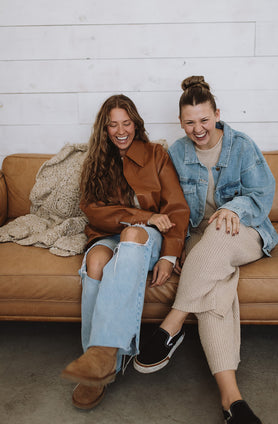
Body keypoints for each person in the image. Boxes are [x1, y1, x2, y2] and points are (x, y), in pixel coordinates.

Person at [134, 76, 278, 424]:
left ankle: (172, 324)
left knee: (218, 228)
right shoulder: (178, 153)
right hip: (203, 237)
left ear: (217, 114)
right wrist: (180, 247)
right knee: (216, 290)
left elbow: (263, 197)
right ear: (180, 122)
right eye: (189, 122)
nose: (197, 129)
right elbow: (174, 207)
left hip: (247, 230)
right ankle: (233, 402)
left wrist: (233, 209)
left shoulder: (242, 145)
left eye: (204, 120)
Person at [61, 94, 190, 410]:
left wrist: (168, 255)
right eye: (113, 125)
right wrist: (144, 215)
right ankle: (98, 368)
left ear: (136, 123)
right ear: (104, 129)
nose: (121, 131)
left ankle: (103, 354)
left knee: (132, 233)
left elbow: (176, 208)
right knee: (95, 261)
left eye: (126, 123)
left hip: (149, 237)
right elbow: (93, 211)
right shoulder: (95, 162)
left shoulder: (156, 155)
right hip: (108, 234)